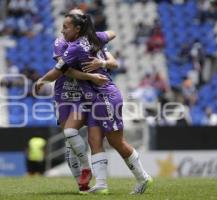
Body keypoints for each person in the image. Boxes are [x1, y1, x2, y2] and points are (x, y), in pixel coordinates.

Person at [37, 13, 153, 194]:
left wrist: (40, 81)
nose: (62, 30)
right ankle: (101, 185)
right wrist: (103, 61)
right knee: (94, 140)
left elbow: (58, 71)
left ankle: (143, 177)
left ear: (77, 29)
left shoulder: (75, 48)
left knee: (117, 142)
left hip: (105, 95)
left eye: (66, 27)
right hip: (93, 99)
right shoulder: (94, 37)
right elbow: (112, 33)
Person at [37, 9, 118, 193]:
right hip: (65, 94)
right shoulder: (60, 42)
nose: (64, 28)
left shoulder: (91, 41)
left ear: (79, 26)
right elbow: (64, 70)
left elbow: (112, 58)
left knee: (82, 135)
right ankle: (82, 184)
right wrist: (90, 77)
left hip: (85, 94)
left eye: (69, 24)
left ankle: (93, 173)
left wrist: (104, 63)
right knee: (69, 141)